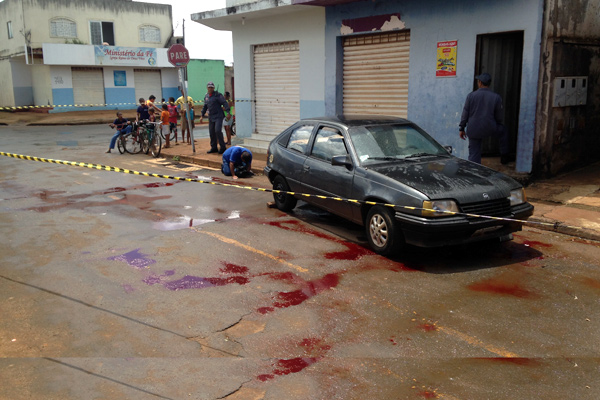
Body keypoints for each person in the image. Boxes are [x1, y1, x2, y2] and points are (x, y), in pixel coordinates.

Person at [459, 73, 510, 164]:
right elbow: (499, 117)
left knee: (474, 153)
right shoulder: (496, 97)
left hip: (473, 129)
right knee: (503, 131)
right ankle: (504, 157)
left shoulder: (471, 96)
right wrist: (496, 124)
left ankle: (474, 171)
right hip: (490, 128)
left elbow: (465, 114)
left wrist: (461, 128)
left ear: (480, 83)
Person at [200, 81, 230, 154]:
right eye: (209, 87)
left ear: (213, 88)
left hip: (218, 116)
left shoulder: (218, 95)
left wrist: (228, 112)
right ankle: (214, 147)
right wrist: (202, 115)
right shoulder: (206, 96)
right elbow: (205, 106)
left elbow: (224, 103)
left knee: (217, 130)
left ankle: (222, 147)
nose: (210, 88)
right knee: (212, 132)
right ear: (207, 88)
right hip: (211, 116)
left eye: (211, 87)